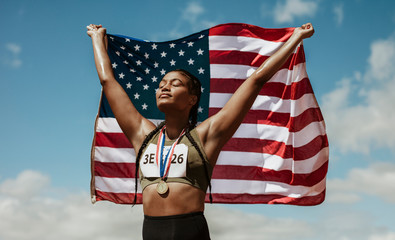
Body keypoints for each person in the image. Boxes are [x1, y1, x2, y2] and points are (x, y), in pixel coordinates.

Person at [87, 23, 314, 240]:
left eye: (175, 84)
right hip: (151, 231)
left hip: (190, 230)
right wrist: (97, 39)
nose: (164, 87)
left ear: (192, 99)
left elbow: (255, 80)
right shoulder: (142, 134)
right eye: (162, 84)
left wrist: (295, 39)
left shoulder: (206, 135)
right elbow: (108, 81)